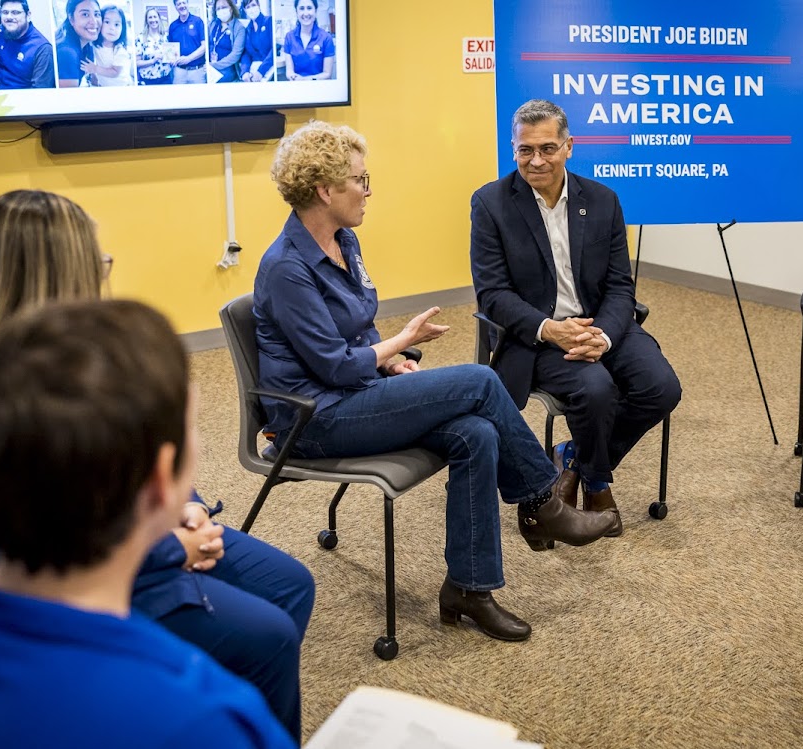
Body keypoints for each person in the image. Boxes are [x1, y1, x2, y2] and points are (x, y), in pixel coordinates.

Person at [0, 190, 314, 740]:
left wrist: (190, 509)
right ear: (64, 274)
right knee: (267, 634)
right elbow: (44, 537)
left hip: (127, 538)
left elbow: (129, 452)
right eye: (100, 262)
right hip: (74, 576)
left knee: (289, 584)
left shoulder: (77, 368)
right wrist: (174, 544)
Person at [254, 121, 616, 642]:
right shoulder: (287, 268)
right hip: (315, 419)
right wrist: (399, 343)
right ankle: (542, 502)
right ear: (325, 190)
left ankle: (469, 589)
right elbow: (333, 366)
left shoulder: (342, 240)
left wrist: (387, 361)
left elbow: (356, 328)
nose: (368, 189)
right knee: (478, 381)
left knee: (478, 433)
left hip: (355, 393)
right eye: (360, 180)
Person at [470, 99, 682, 537]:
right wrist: (551, 330)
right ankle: (599, 483)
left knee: (661, 388)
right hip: (537, 336)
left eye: (547, 148)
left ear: (570, 146)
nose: (536, 160)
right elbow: (492, 294)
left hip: (604, 324)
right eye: (525, 150)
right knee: (596, 388)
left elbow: (621, 286)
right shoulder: (491, 204)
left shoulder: (603, 201)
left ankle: (571, 461)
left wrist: (601, 335)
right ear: (513, 149)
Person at [0, 0, 54, 89]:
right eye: (5, 12)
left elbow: (40, 93)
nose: (9, 17)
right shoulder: (2, 31)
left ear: (28, 15)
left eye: (15, 12)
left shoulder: (43, 49)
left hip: (21, 99)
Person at [281, 0, 333, 81]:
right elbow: (289, 71)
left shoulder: (326, 38)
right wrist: (294, 78)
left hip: (319, 89)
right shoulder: (289, 37)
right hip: (297, 87)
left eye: (309, 8)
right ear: (296, 12)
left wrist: (305, 80)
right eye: (301, 8)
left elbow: (327, 74)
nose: (305, 13)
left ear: (315, 11)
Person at [83, 5, 134, 86]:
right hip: (104, 85)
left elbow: (115, 72)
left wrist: (95, 69)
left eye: (116, 24)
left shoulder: (120, 51)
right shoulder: (95, 44)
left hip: (121, 86)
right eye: (107, 22)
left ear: (122, 29)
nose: (112, 28)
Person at [54, 0, 100, 87]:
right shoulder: (67, 53)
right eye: (85, 14)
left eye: (97, 14)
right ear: (71, 19)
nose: (94, 21)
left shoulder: (86, 44)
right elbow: (70, 98)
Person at [169, 0, 207, 84]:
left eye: (184, 3)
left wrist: (188, 58)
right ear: (175, 7)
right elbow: (170, 49)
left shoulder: (198, 21)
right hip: (179, 72)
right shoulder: (172, 26)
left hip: (197, 71)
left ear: (187, 4)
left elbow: (204, 46)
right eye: (179, 4)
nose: (182, 6)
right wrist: (171, 59)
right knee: (179, 97)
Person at [208, 0, 245, 82]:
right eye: (218, 8)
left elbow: (236, 54)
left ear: (231, 9)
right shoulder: (212, 24)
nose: (221, 10)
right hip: (211, 73)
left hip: (228, 75)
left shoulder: (239, 27)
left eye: (224, 7)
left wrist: (215, 65)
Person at [135, 7, 173, 85]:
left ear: (159, 18)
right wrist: (152, 61)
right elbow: (137, 63)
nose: (153, 20)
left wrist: (172, 60)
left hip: (165, 79)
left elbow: (171, 56)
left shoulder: (166, 37)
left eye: (155, 17)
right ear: (147, 20)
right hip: (148, 80)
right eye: (150, 17)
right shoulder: (140, 38)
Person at [239, 0, 274, 82]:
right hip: (254, 69)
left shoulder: (269, 21)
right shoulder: (247, 29)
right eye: (248, 7)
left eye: (253, 5)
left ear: (259, 5)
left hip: (269, 66)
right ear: (245, 10)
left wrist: (261, 71)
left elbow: (274, 49)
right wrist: (245, 71)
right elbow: (246, 53)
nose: (251, 9)